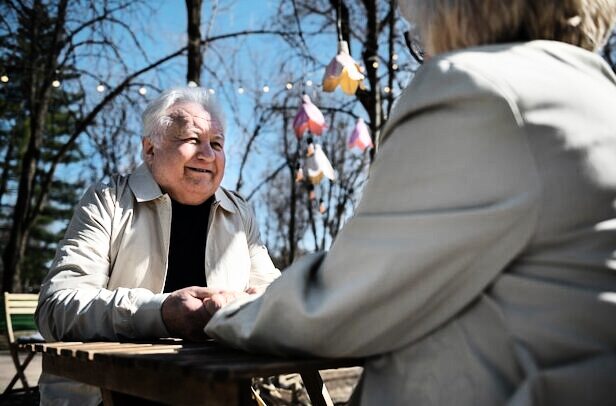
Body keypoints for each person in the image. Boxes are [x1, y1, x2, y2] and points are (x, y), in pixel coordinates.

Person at [205, 1, 616, 404]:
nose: (423, 52)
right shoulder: (598, 91)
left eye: (419, 31)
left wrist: (225, 313)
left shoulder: (476, 86)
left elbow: (343, 304)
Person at [35, 87, 280, 405]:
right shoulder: (109, 199)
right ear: (150, 149)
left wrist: (249, 305)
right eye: (192, 140)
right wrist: (160, 313)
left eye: (216, 144)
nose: (207, 154)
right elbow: (57, 308)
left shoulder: (239, 211)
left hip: (215, 393)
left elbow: (274, 297)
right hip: (108, 396)